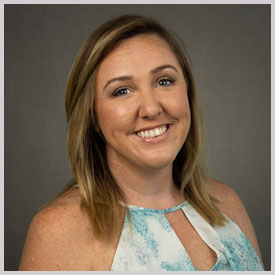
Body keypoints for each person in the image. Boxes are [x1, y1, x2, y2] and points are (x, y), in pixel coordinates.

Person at [18, 14, 264, 271]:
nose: (151, 108)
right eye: (122, 91)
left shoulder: (227, 203)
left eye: (164, 81)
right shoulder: (58, 232)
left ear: (188, 92)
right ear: (92, 116)